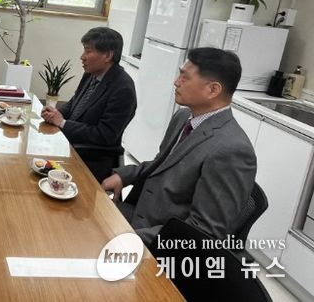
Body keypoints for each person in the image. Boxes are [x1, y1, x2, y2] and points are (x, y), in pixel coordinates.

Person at [101, 48, 257, 245]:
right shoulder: (183, 117)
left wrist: (133, 238)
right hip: (141, 215)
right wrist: (124, 175)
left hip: (160, 239)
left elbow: (204, 231)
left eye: (185, 77)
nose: (176, 82)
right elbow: (162, 163)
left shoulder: (231, 150)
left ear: (213, 90)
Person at [41, 27, 137, 182]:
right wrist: (54, 113)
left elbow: (105, 135)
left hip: (92, 159)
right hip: (70, 144)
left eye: (88, 51)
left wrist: (63, 123)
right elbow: (74, 102)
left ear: (107, 55)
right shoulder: (91, 74)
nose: (82, 57)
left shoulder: (123, 88)